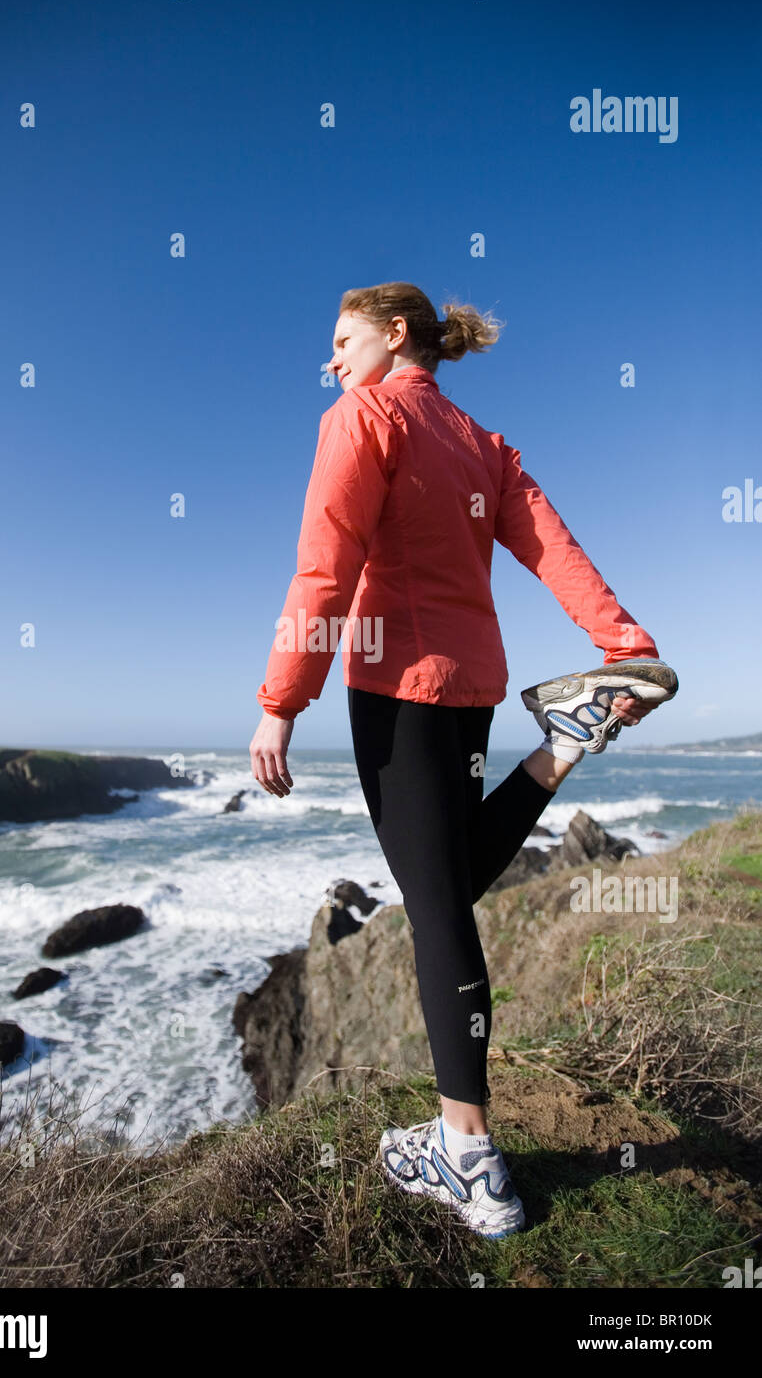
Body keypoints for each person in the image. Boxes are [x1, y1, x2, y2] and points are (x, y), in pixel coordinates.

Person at [250, 281, 678, 1239]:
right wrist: (624, 644)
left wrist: (280, 703)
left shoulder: (362, 416)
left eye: (342, 338)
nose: (330, 359)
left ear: (394, 334)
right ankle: (560, 748)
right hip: (474, 689)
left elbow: (323, 564)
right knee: (450, 882)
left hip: (395, 687)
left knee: (438, 903)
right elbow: (553, 550)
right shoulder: (484, 445)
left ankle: (468, 1152)